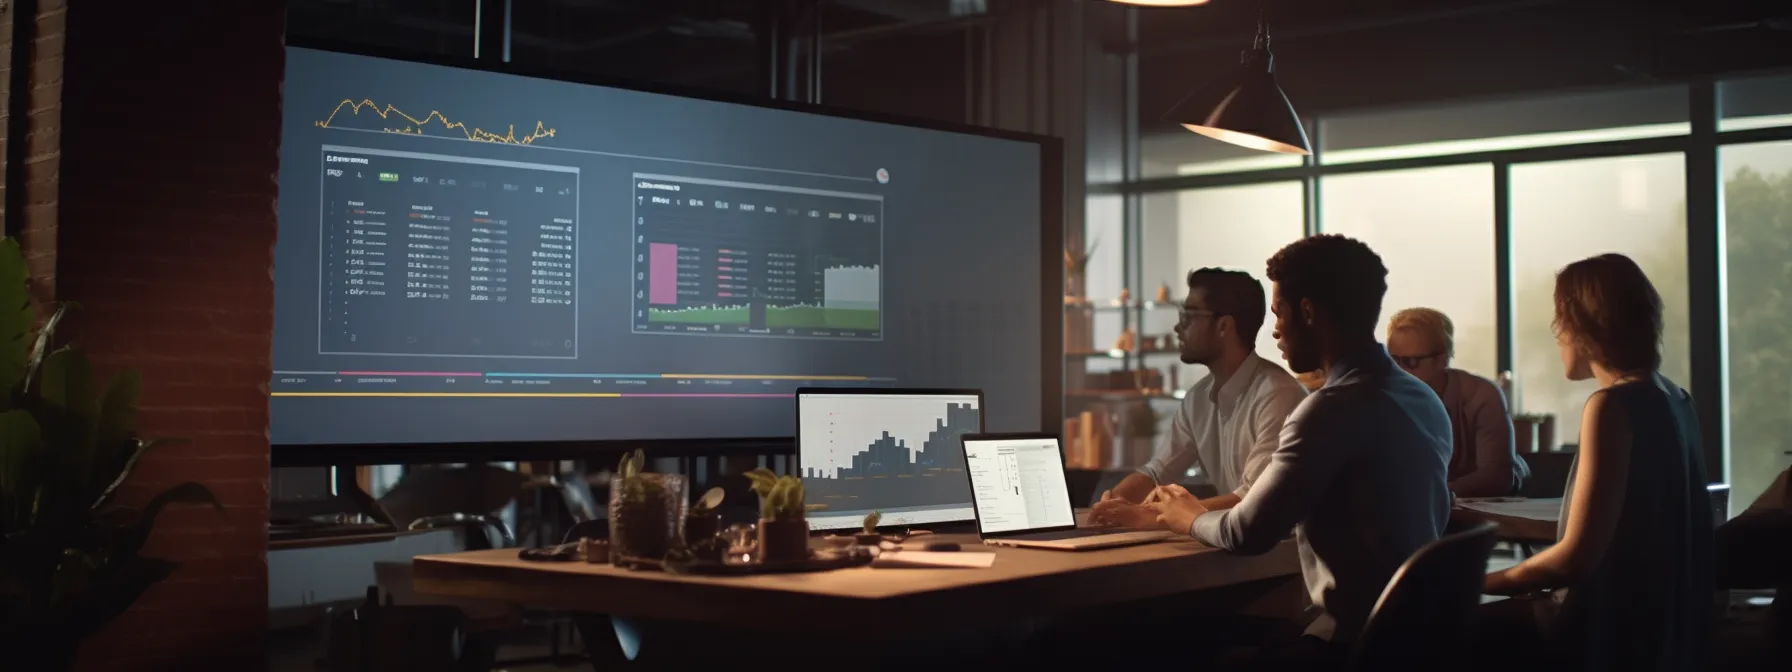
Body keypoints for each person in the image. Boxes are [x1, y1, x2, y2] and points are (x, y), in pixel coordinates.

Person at [1144, 235, 1453, 669]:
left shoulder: (1328, 410)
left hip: (1350, 647)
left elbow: (1247, 532)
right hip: (1415, 640)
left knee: (1157, 643)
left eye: (1278, 313)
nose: (1274, 330)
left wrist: (1189, 517)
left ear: (1306, 313)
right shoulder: (1422, 398)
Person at [1477, 253, 1713, 672]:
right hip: (1666, 633)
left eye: (1560, 321)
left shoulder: (1610, 406)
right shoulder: (1679, 400)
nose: (1557, 336)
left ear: (1586, 327)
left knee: (1434, 630)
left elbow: (1576, 558)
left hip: (1605, 633)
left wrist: (1480, 583)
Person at [1092, 268, 1307, 528]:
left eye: (1189, 315)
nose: (1178, 326)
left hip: (1279, 547)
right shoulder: (1198, 399)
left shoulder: (1278, 395)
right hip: (1233, 542)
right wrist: (1113, 501)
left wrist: (1152, 516)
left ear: (1223, 326)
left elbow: (1255, 499)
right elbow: (1157, 472)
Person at [1385, 307, 1529, 497]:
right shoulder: (1384, 398)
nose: (1399, 371)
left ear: (1443, 359)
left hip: (1483, 507)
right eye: (1393, 360)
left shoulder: (1481, 395)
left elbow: (1497, 475)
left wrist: (1436, 494)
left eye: (1411, 362)